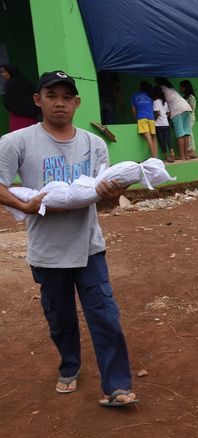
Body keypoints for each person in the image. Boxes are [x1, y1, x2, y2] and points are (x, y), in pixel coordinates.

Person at [0, 71, 138, 407]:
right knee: (60, 318)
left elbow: (102, 197)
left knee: (105, 316)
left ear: (77, 102)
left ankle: (117, 386)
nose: (59, 103)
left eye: (67, 97)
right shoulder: (17, 142)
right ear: (38, 100)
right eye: (51, 95)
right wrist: (25, 206)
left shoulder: (94, 144)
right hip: (47, 252)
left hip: (89, 247)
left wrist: (114, 191)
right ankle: (70, 365)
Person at [155, 78, 193, 161]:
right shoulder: (170, 88)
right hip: (186, 107)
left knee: (180, 133)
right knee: (186, 133)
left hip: (177, 110)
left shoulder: (161, 89)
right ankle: (186, 156)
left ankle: (182, 156)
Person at [1, 63, 39, 132]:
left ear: (11, 71)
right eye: (2, 72)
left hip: (17, 117)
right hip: (31, 117)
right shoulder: (24, 81)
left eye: (4, 72)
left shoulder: (10, 84)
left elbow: (6, 102)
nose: (3, 75)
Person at [131, 81, 157, 158]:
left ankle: (154, 157)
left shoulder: (134, 95)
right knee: (153, 137)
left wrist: (135, 118)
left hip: (142, 118)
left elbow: (134, 110)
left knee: (148, 139)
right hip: (151, 118)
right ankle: (156, 157)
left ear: (140, 87)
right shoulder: (150, 96)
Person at [152, 86, 175, 162]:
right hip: (166, 123)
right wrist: (164, 117)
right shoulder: (164, 102)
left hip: (159, 124)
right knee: (168, 139)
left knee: (162, 140)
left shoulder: (155, 102)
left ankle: (166, 156)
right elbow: (168, 113)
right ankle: (171, 151)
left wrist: (154, 119)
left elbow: (157, 113)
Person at [180, 80, 197, 158]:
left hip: (190, 117)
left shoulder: (191, 97)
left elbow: (191, 107)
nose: (180, 88)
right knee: (188, 133)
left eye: (182, 87)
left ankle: (192, 151)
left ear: (186, 87)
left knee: (189, 133)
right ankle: (190, 150)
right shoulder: (185, 97)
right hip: (186, 118)